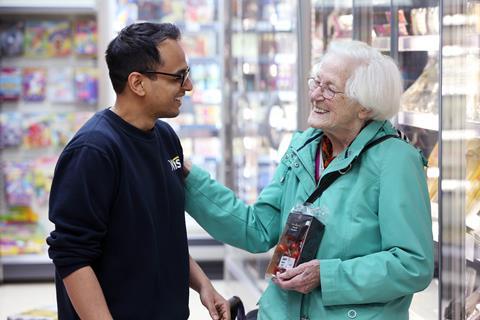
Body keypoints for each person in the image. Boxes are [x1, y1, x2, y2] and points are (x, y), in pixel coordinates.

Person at [184, 40, 434, 319]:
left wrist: (327, 276)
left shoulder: (395, 161)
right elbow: (256, 229)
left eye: (329, 88)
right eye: (316, 81)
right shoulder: (303, 148)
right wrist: (188, 179)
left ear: (364, 107)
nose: (315, 94)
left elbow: (413, 264)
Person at [46, 22, 229, 320]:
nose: (189, 86)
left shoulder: (167, 138)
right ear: (138, 83)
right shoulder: (94, 151)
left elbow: (161, 236)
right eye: (178, 77)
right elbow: (72, 257)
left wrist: (203, 285)